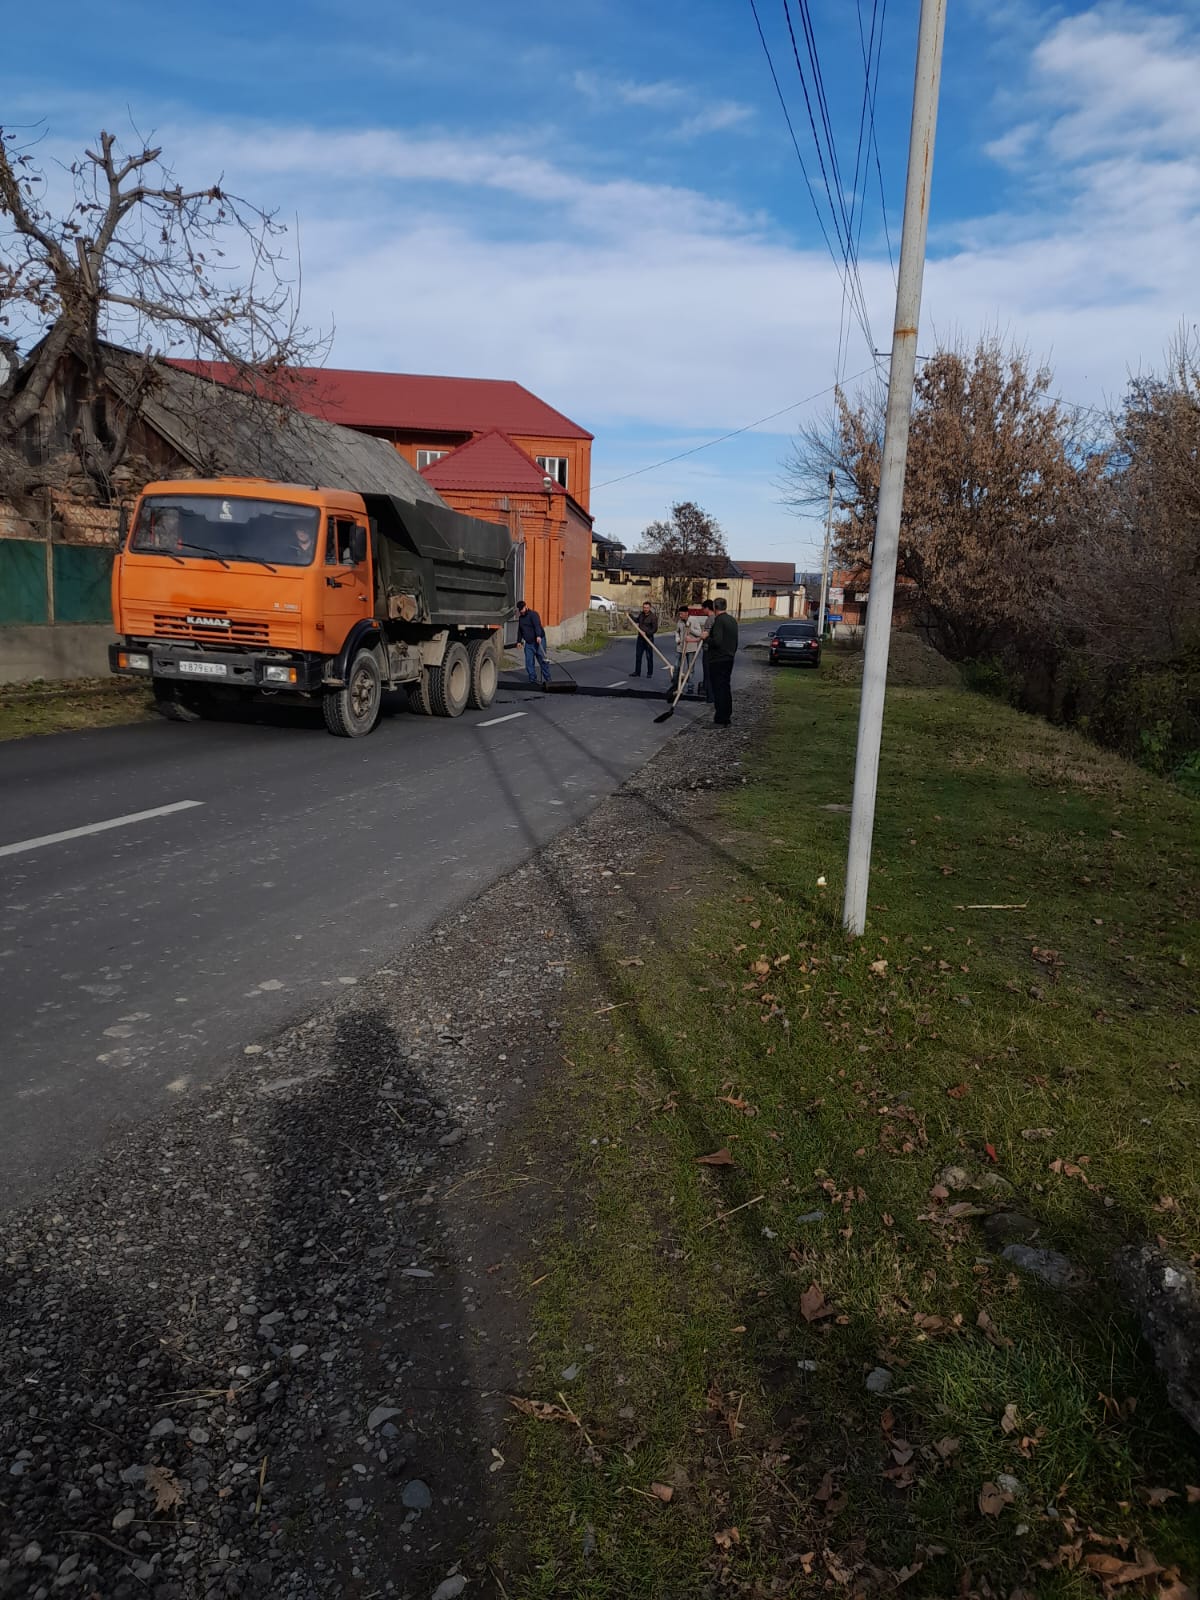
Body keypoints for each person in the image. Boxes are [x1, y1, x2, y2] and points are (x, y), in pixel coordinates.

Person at [705, 597, 739, 727]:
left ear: (715, 607)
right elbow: (735, 642)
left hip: (718, 659)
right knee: (725, 688)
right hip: (729, 658)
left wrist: (706, 638)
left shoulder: (719, 621)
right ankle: (726, 717)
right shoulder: (732, 620)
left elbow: (717, 641)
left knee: (718, 689)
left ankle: (720, 719)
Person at [516, 599, 552, 688]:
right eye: (520, 610)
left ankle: (548, 679)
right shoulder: (521, 618)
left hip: (538, 640)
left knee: (542, 659)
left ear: (525, 607)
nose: (521, 612)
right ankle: (532, 679)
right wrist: (518, 641)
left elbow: (537, 625)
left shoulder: (533, 615)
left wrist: (538, 636)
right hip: (528, 643)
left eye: (522, 609)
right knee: (529, 661)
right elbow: (520, 630)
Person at [672, 604, 701, 697]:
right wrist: (677, 638)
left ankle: (690, 687)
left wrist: (691, 629)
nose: (680, 616)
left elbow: (699, 633)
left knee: (690, 669)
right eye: (679, 614)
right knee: (677, 667)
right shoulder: (680, 622)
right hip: (680, 648)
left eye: (681, 614)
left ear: (686, 613)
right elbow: (677, 631)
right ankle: (676, 686)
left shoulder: (694, 620)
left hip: (691, 648)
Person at [629, 599, 659, 678]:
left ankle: (649, 673)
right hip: (640, 639)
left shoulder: (653, 617)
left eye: (647, 607)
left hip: (649, 639)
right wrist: (630, 615)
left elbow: (655, 629)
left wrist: (647, 633)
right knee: (638, 656)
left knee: (649, 657)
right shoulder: (641, 614)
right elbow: (636, 620)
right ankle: (637, 672)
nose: (645, 609)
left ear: (650, 608)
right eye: (644, 607)